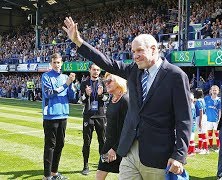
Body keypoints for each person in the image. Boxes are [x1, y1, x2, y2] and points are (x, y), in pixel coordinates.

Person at [63, 17, 192, 179]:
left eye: (139, 51)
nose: (135, 56)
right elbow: (107, 63)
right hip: (129, 151)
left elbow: (184, 119)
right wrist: (79, 41)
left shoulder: (176, 76)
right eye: (133, 52)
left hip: (158, 155)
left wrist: (179, 155)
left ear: (153, 49)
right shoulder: (134, 71)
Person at [41, 53, 76, 180]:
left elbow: (72, 97)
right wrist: (66, 84)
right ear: (51, 64)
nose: (57, 65)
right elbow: (49, 93)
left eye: (59, 62)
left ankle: (54, 172)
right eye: (55, 62)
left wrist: (71, 85)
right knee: (50, 145)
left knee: (60, 144)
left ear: (62, 63)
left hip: (63, 114)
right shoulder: (45, 76)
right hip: (50, 115)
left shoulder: (65, 77)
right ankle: (46, 175)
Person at [96, 72, 129, 180]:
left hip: (121, 147)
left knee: (126, 176)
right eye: (105, 81)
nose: (106, 83)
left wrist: (115, 149)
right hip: (108, 145)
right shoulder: (112, 98)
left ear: (119, 82)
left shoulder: (126, 100)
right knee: (100, 172)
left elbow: (128, 129)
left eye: (109, 81)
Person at [79, 63, 108, 175]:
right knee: (87, 142)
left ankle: (102, 165)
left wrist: (101, 95)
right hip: (88, 115)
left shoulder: (103, 83)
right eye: (94, 69)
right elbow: (81, 100)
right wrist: (86, 95)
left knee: (102, 141)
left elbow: (107, 99)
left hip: (101, 115)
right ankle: (85, 166)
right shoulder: (84, 83)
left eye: (98, 69)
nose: (96, 71)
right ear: (89, 70)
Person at [204, 85, 221, 151]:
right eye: (213, 90)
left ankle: (218, 146)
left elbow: (220, 110)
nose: (214, 91)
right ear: (210, 91)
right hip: (208, 120)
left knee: (217, 134)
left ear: (218, 91)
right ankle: (210, 145)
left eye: (215, 90)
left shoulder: (219, 100)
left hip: (216, 120)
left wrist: (219, 119)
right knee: (209, 133)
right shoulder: (206, 98)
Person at [194, 88, 208, 155]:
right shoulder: (202, 100)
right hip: (202, 117)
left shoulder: (199, 101)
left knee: (202, 133)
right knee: (200, 133)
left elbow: (201, 111)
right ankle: (200, 147)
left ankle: (205, 149)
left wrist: (200, 121)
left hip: (200, 117)